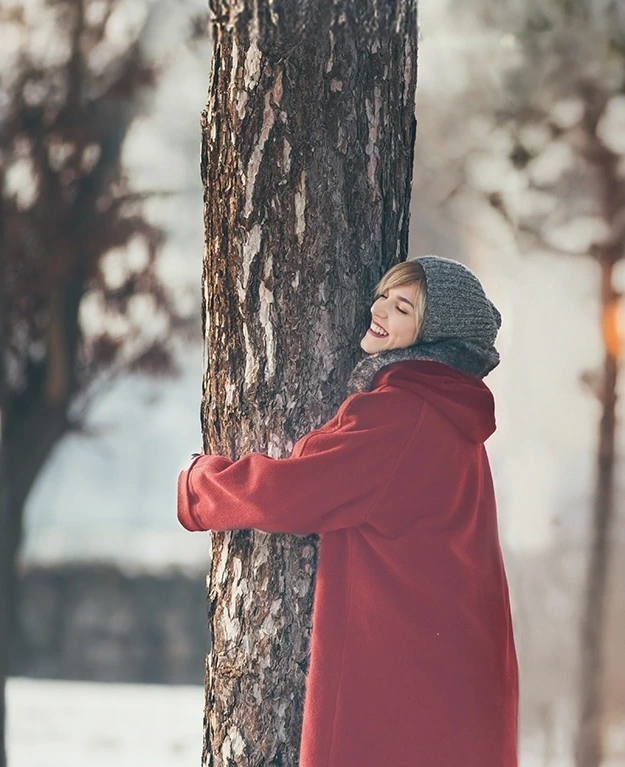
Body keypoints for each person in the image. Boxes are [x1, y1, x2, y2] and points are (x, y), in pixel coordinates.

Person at [177, 255, 519, 767]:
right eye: (383, 295)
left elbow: (290, 495)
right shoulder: (449, 415)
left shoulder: (402, 415)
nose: (379, 309)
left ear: (433, 335)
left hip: (409, 687)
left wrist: (198, 484)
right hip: (454, 677)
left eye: (402, 307)